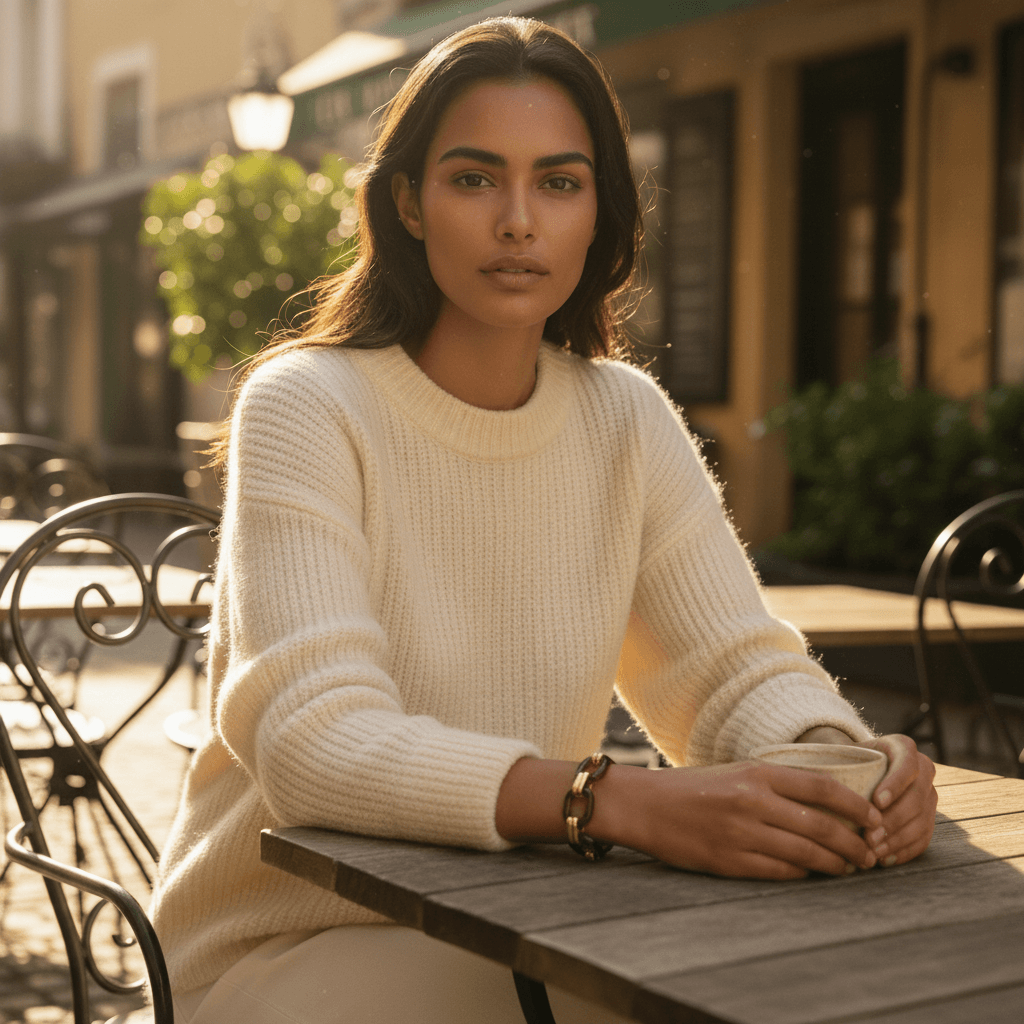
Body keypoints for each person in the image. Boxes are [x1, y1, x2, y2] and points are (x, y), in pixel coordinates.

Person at [150, 17, 937, 1024]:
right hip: (283, 947)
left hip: (528, 921)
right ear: (409, 204)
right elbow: (315, 742)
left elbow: (732, 670)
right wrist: (614, 801)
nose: (518, 220)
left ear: (597, 211)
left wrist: (842, 767)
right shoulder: (307, 404)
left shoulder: (625, 417)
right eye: (475, 179)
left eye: (558, 183)